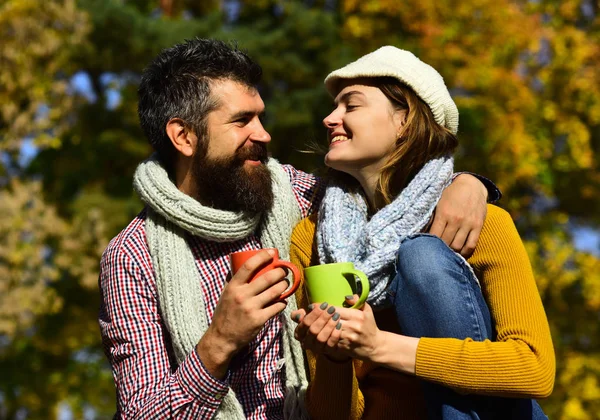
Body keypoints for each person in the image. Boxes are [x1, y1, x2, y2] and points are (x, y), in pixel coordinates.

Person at [98, 38, 499, 419]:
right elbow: (140, 412)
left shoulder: (298, 195)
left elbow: (395, 194)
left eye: (261, 117)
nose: (264, 134)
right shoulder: (132, 257)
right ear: (183, 137)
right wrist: (219, 341)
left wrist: (469, 183)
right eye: (242, 121)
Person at [290, 46, 555, 419]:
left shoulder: (478, 221)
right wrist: (335, 355)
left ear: (404, 120)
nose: (330, 118)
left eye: (351, 106)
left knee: (420, 256)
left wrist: (379, 345)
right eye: (334, 107)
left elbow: (534, 369)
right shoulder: (312, 237)